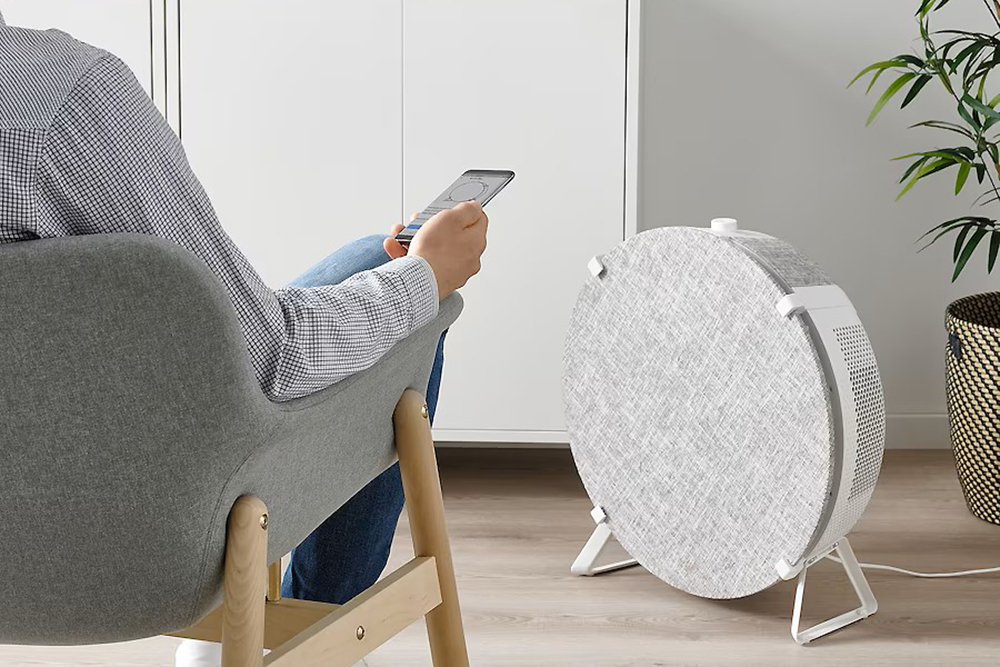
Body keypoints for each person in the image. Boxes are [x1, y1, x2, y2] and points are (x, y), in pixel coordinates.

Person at [0, 12, 488, 666]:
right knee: (404, 290)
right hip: (170, 532)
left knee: (368, 260)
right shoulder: (63, 100)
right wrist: (423, 277)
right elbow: (274, 356)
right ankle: (309, 626)